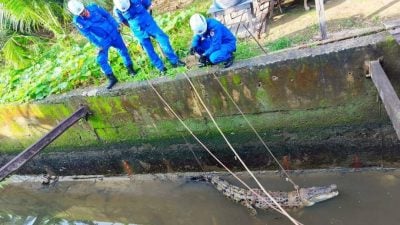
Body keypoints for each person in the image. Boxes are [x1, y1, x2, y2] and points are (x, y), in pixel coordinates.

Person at [67, 0, 136, 90]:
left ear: (83, 6)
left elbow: (107, 15)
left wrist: (117, 25)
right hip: (103, 40)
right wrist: (98, 45)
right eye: (80, 13)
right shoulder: (78, 21)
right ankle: (112, 78)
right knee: (101, 59)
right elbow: (88, 34)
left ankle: (131, 70)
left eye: (83, 11)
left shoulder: (94, 7)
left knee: (123, 51)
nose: (83, 14)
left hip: (113, 32)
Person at [113, 0, 185, 74]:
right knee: (148, 49)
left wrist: (147, 15)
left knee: (163, 40)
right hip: (137, 29)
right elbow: (124, 21)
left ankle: (174, 61)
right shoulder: (117, 9)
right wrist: (133, 26)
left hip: (149, 23)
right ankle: (161, 68)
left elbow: (148, 5)